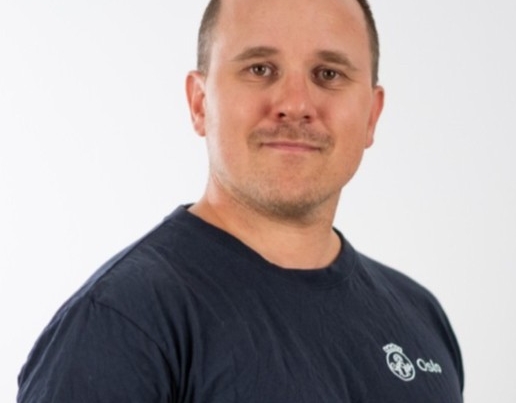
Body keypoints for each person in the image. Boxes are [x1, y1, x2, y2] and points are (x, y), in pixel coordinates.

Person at [17, 0, 464, 401]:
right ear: (199, 103)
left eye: (328, 74)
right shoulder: (122, 322)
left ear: (371, 115)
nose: (295, 104)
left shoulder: (419, 316)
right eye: (260, 69)